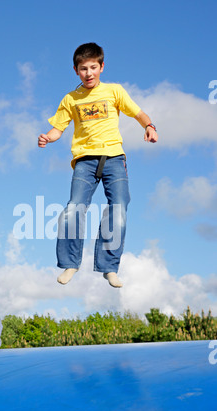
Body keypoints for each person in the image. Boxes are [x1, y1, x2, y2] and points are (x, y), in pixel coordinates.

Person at [38, 42, 158, 288]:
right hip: (84, 160)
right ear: (76, 70)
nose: (89, 73)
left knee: (119, 209)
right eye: (83, 68)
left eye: (93, 67)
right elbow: (58, 128)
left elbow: (138, 113)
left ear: (102, 67)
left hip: (114, 158)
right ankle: (70, 263)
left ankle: (108, 267)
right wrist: (47, 137)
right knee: (74, 208)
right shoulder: (71, 98)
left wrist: (149, 126)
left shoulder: (114, 91)